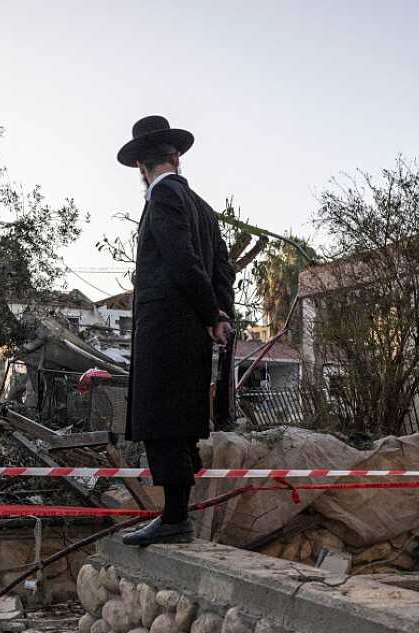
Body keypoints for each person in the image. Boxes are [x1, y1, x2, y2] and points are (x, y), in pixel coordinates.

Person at [116, 115, 235, 546]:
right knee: (181, 421)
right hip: (193, 333)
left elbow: (183, 260)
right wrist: (220, 315)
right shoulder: (202, 207)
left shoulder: (162, 197)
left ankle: (174, 518)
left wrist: (209, 314)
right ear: (176, 156)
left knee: (161, 420)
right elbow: (223, 267)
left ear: (140, 166)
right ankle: (176, 511)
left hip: (166, 329)